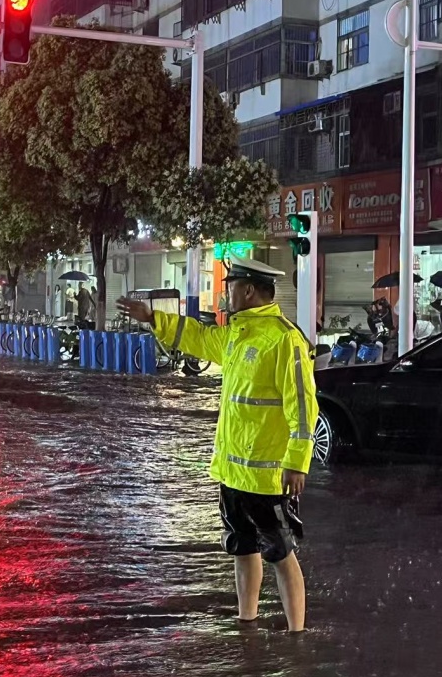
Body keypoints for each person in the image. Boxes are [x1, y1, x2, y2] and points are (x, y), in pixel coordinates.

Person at [117, 259, 317, 632]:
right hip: (232, 471)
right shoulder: (236, 335)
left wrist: (297, 462)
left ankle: (297, 635)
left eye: (231, 287)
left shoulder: (283, 338)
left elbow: (303, 408)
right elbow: (197, 336)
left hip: (268, 476)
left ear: (249, 290)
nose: (226, 295)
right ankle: (247, 621)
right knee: (242, 548)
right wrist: (153, 318)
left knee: (281, 553)